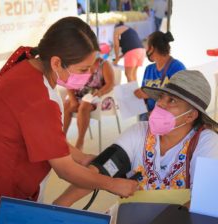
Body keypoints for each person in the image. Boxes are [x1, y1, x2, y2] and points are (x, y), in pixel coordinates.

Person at [0, 17, 138, 224]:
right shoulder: (38, 98)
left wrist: (81, 157)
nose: (88, 76)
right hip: (1, 202)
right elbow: (65, 170)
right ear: (56, 63)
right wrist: (112, 184)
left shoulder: (28, 67)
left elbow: (45, 135)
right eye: (82, 69)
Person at [53, 70, 218, 210]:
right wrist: (58, 206)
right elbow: (100, 170)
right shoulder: (140, 131)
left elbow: (204, 202)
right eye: (161, 97)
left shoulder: (207, 142)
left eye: (172, 101)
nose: (160, 104)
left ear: (191, 115)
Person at [63, 55, 115, 150]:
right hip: (81, 94)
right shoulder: (77, 62)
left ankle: (80, 141)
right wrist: (73, 100)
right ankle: (62, 137)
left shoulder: (103, 64)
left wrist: (100, 92)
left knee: (84, 105)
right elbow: (69, 83)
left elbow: (110, 84)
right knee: (67, 104)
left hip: (99, 95)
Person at [134, 31, 186, 120]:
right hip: (149, 115)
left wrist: (150, 95)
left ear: (152, 48)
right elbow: (144, 93)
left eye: (146, 47)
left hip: (169, 118)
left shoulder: (177, 67)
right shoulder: (149, 69)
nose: (145, 50)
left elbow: (181, 96)